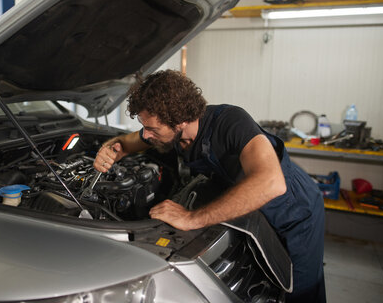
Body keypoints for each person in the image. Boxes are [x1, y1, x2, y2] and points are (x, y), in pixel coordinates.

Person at [94, 70, 326, 303]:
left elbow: (271, 183)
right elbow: (124, 144)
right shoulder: (171, 133)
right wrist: (110, 149)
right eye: (144, 126)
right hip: (255, 212)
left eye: (152, 129)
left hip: (295, 211)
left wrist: (192, 218)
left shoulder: (231, 121)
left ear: (180, 121)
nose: (146, 134)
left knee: (299, 290)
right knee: (267, 284)